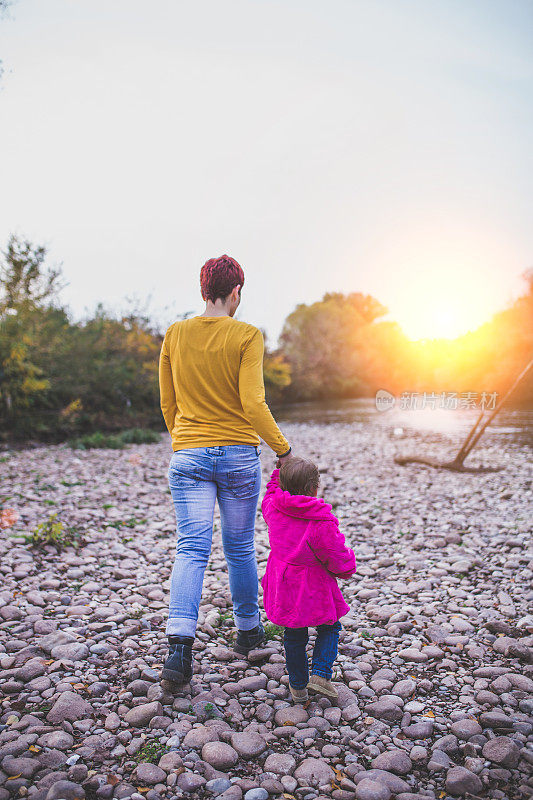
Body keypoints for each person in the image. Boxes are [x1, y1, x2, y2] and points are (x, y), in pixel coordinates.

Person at [159, 254, 293, 684]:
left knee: (191, 548)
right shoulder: (247, 335)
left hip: (189, 454)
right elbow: (253, 403)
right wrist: (283, 449)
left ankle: (179, 650)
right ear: (236, 291)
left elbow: (168, 403)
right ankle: (248, 632)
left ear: (203, 290)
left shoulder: (175, 334)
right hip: (237, 455)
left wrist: (185, 439)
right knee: (238, 548)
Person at [261, 457, 356, 702]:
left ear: (282, 485)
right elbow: (335, 555)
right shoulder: (319, 521)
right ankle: (321, 675)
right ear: (315, 488)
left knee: (293, 634)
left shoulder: (273, 507)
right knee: (330, 625)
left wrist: (277, 471)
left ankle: (298, 687)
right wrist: (348, 566)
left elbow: (271, 491)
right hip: (314, 585)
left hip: (284, 583)